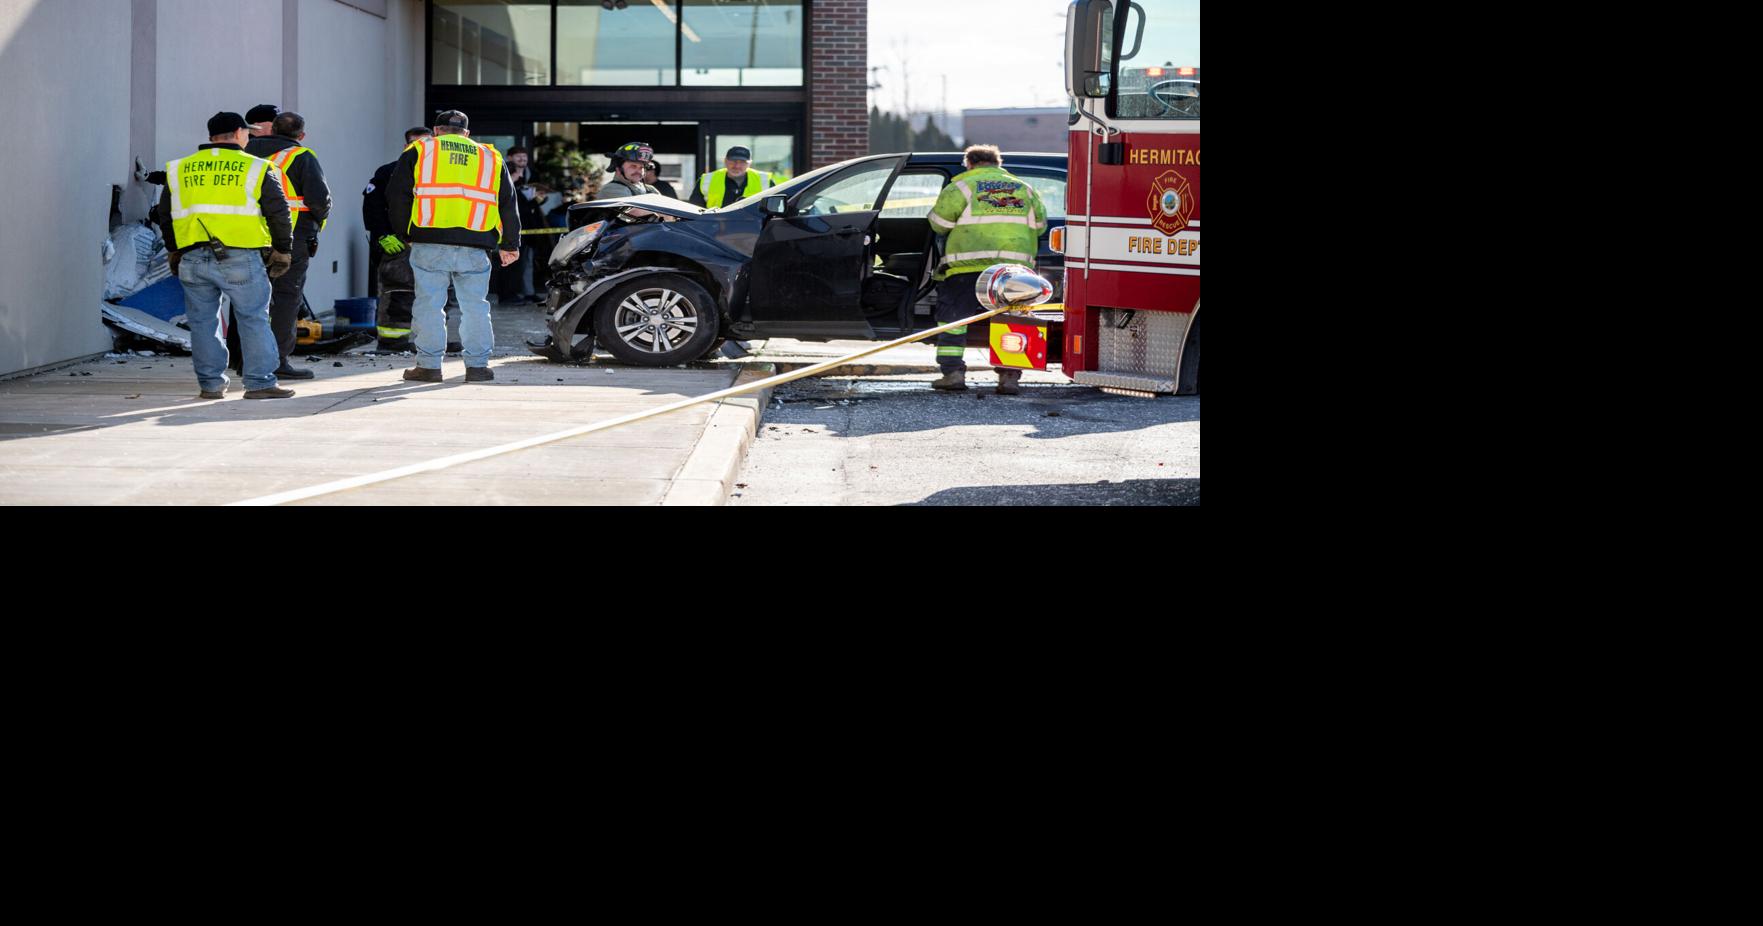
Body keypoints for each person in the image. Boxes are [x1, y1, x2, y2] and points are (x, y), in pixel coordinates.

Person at [152, 111, 296, 400]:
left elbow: (164, 215)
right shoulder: (255, 167)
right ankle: (259, 383)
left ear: (210, 137)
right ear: (238, 133)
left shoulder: (179, 169)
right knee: (253, 318)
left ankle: (211, 385)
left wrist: (173, 249)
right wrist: (283, 249)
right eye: (247, 132)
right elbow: (279, 212)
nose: (248, 137)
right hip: (240, 258)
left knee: (203, 322)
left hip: (192, 257)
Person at [384, 110, 520, 383]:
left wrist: (406, 233)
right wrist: (510, 244)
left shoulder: (420, 150)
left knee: (430, 305)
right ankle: (478, 367)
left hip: (429, 240)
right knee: (476, 307)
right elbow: (507, 201)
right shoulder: (490, 156)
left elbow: (396, 194)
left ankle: (429, 366)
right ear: (466, 133)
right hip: (476, 243)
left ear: (436, 130)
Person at [926, 144, 1047, 395]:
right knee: (1013, 322)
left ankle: (953, 374)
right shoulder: (1024, 189)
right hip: (1014, 272)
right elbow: (1040, 226)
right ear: (998, 163)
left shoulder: (961, 186)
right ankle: (1009, 378)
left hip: (966, 268)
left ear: (969, 163)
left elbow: (939, 224)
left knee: (954, 320)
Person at [246, 111, 331, 380]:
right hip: (292, 237)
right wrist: (316, 225)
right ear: (301, 135)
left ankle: (242, 358)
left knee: (247, 299)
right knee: (285, 299)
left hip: (248, 235)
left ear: (272, 130)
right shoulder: (302, 157)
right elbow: (319, 200)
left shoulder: (246, 153)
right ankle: (277, 360)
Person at [364, 127, 432, 350]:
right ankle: (393, 341)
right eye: (415, 143)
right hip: (398, 244)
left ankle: (431, 341)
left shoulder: (438, 174)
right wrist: (383, 235)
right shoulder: (389, 172)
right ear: (406, 147)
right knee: (398, 293)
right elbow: (372, 206)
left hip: (430, 243)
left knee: (436, 294)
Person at [496, 146, 548, 306]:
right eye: (518, 157)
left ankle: (526, 292)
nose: (522, 161)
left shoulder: (530, 175)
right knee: (509, 264)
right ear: (510, 158)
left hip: (527, 227)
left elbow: (529, 204)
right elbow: (515, 206)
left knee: (525, 262)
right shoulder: (505, 180)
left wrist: (538, 199)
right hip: (511, 229)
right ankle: (508, 295)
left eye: (524, 157)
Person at [690, 146, 772, 208]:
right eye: (733, 161)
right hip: (715, 227)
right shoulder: (707, 180)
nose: (737, 165)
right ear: (725, 161)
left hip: (755, 228)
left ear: (749, 164)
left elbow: (773, 208)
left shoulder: (765, 180)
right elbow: (695, 207)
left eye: (742, 162)